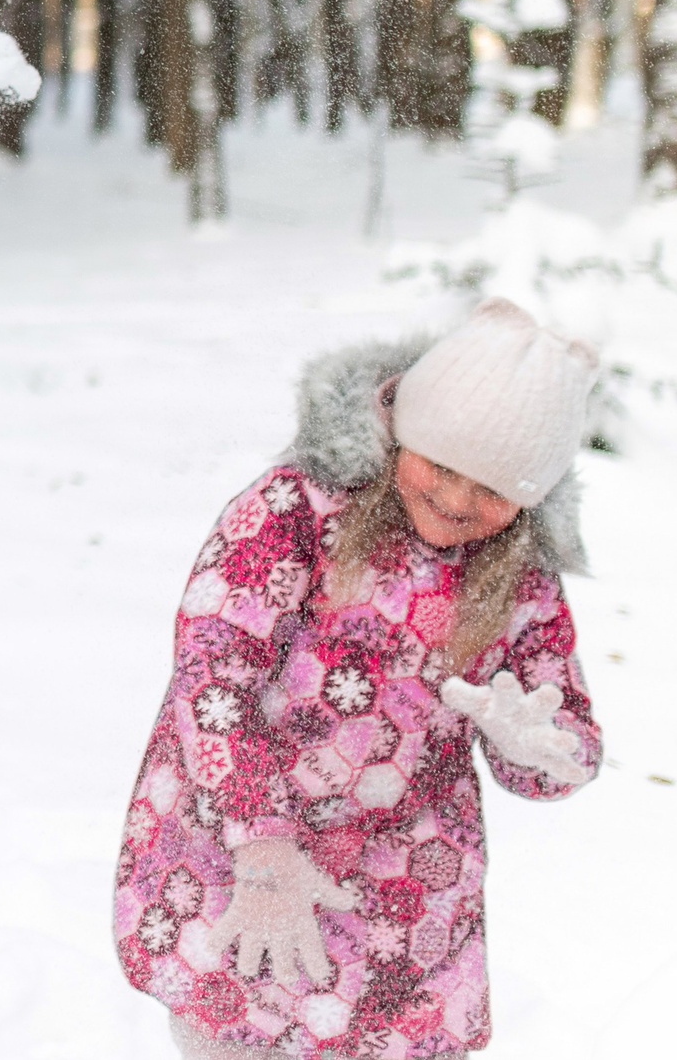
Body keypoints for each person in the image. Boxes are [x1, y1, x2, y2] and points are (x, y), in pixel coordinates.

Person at [114, 299, 604, 1058]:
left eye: (495, 490)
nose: (458, 500)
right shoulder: (296, 510)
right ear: (404, 426)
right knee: (236, 1028)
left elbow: (562, 734)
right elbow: (212, 672)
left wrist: (541, 747)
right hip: (239, 857)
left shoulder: (521, 579)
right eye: (441, 465)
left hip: (400, 891)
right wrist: (262, 844)